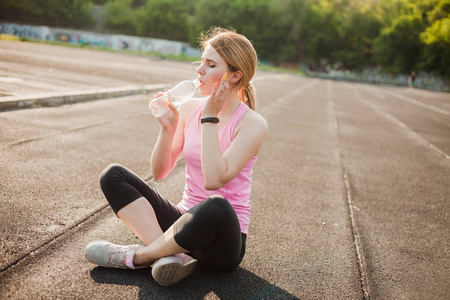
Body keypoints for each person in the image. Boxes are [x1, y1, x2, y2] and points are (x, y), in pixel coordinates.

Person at [85, 27, 268, 287]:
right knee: (112, 175)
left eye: (211, 64)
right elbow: (160, 172)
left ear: (235, 75)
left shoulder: (253, 124)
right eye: (201, 61)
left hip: (221, 242)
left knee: (216, 204)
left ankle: (139, 256)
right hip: (183, 223)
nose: (199, 71)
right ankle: (169, 256)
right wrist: (167, 129)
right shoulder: (189, 108)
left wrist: (210, 119)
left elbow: (214, 180)